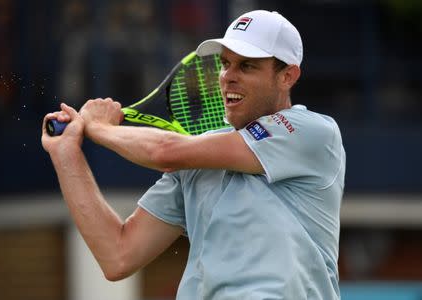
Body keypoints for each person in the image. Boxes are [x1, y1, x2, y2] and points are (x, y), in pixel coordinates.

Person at [42, 10, 345, 300]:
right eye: (226, 64)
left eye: (247, 66)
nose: (228, 76)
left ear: (287, 76)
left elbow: (165, 151)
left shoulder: (314, 133)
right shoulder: (197, 159)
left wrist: (97, 128)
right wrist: (66, 153)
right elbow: (117, 255)